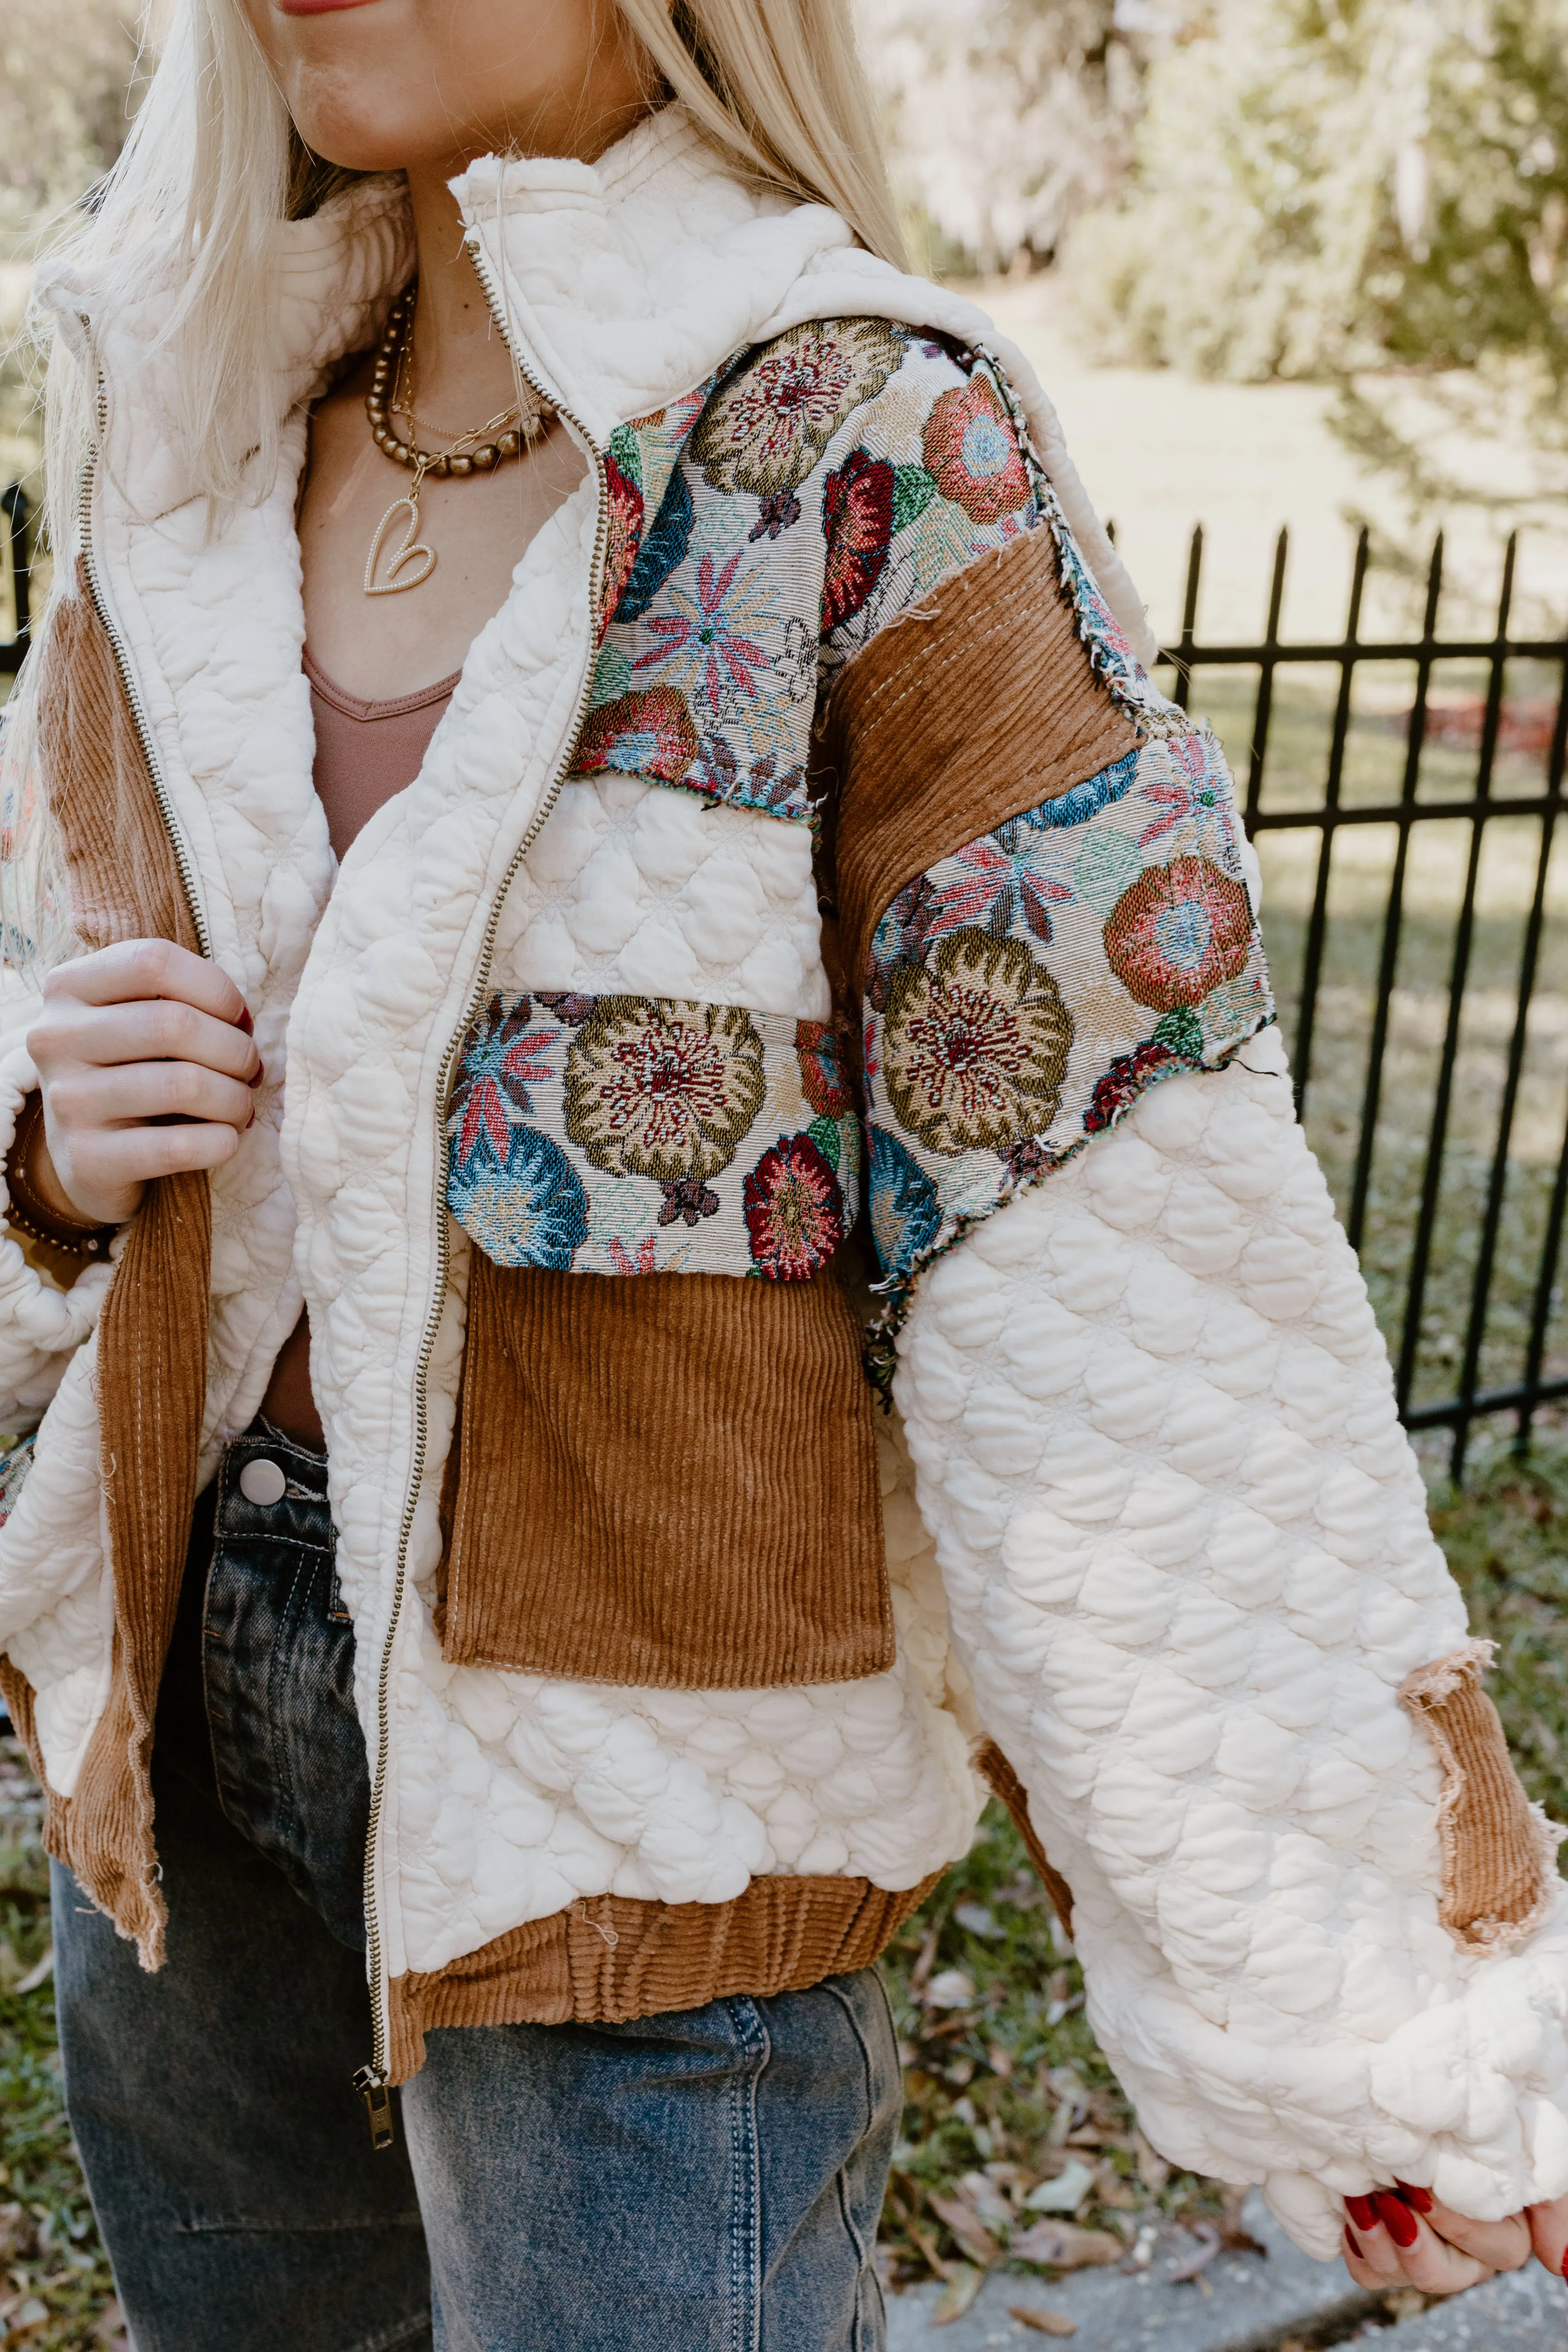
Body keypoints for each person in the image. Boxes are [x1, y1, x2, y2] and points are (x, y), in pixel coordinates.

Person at [0, 0, 1564, 2342]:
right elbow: (50, 957)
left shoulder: (865, 443)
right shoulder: (197, 418)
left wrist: (1373, 2028)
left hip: (660, 1813)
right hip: (193, 1759)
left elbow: (1115, 1252)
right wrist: (41, 1151)